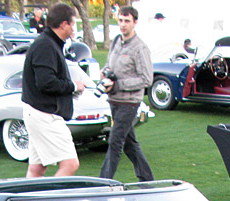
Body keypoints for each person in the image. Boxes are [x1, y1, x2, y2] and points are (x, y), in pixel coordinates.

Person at [21, 3, 86, 178]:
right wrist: (73, 86)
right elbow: (46, 83)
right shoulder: (45, 45)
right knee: (71, 164)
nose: (73, 29)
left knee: (37, 169)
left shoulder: (49, 43)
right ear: (64, 24)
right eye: (72, 24)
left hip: (37, 113)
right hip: (44, 115)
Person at [98, 6, 154, 182]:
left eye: (127, 21)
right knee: (130, 144)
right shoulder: (116, 41)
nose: (123, 24)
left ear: (135, 22)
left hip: (129, 102)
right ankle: (148, 181)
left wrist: (118, 84)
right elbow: (109, 64)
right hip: (113, 100)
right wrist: (105, 72)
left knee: (115, 142)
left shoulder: (140, 48)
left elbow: (147, 79)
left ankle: (102, 185)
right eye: (120, 20)